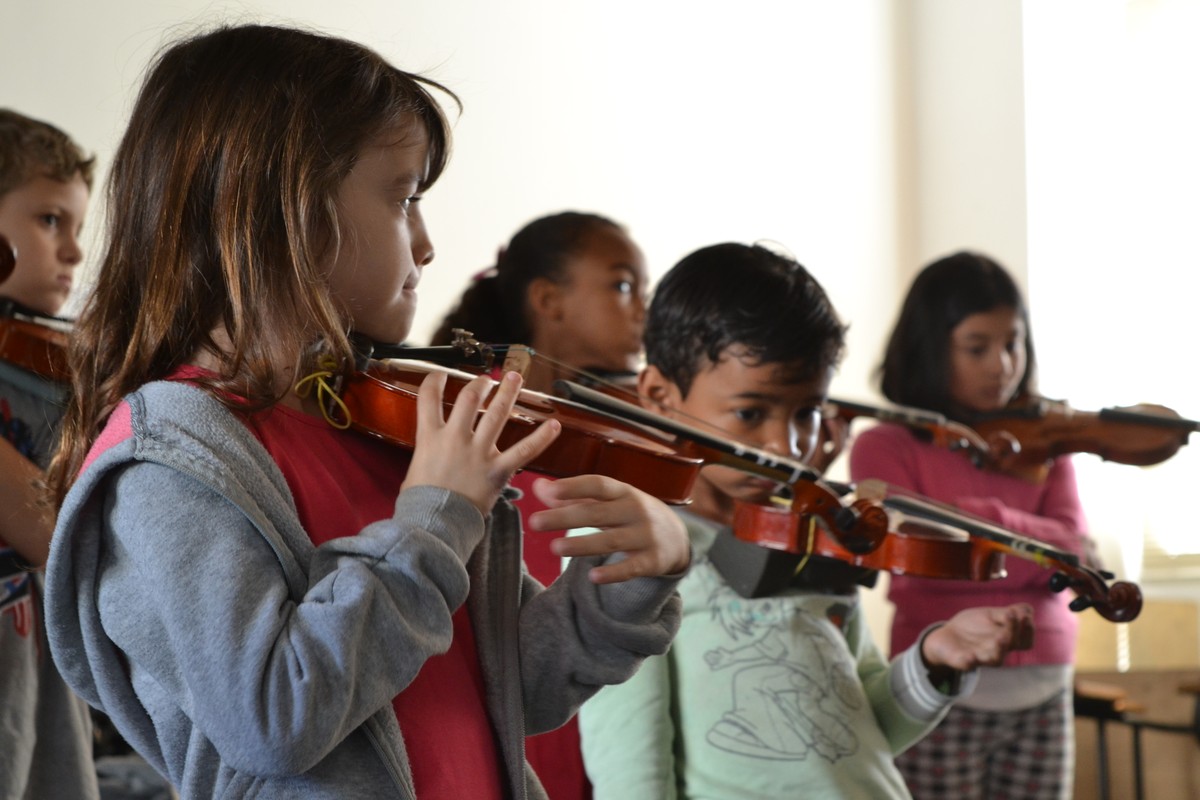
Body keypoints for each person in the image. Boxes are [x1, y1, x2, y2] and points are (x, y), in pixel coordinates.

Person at [42, 24, 690, 800]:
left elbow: (514, 688)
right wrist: (435, 522)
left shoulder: (383, 428)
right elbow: (273, 718)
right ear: (285, 211)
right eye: (403, 197)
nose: (425, 245)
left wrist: (623, 587)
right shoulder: (171, 463)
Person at [577, 242, 1034, 799]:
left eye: (807, 412)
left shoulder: (813, 534)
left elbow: (864, 730)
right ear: (659, 397)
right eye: (751, 413)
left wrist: (935, 661)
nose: (787, 445)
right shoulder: (629, 541)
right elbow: (630, 770)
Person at [849, 250, 1087, 799]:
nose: (1002, 364)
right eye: (976, 347)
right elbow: (918, 564)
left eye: (1013, 342)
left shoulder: (1048, 444)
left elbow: (1070, 549)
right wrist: (1030, 545)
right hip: (940, 685)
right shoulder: (884, 445)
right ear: (931, 348)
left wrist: (976, 525)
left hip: (1045, 679)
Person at [432, 210, 647, 800]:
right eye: (623, 285)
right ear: (549, 299)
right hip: (526, 687)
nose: (642, 311)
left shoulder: (619, 420)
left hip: (603, 680)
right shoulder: (475, 415)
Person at [0, 107, 100, 800]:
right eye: (49, 221)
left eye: (77, 228)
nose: (74, 253)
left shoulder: (43, 358)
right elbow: (54, 531)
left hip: (32, 673)